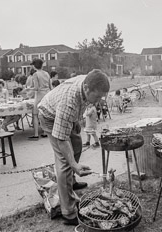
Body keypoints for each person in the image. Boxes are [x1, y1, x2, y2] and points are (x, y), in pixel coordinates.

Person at [38, 69, 110, 226]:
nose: (98, 101)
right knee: (64, 161)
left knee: (76, 144)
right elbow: (61, 139)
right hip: (49, 116)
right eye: (97, 97)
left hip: (67, 114)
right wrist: (74, 164)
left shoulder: (90, 80)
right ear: (86, 88)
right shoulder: (69, 103)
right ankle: (69, 212)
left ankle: (71, 180)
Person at [26, 58, 51, 140]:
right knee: (45, 114)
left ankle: (36, 134)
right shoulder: (46, 73)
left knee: (35, 114)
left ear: (34, 66)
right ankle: (45, 132)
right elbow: (50, 86)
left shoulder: (35, 74)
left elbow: (36, 88)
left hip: (39, 95)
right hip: (47, 94)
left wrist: (29, 89)